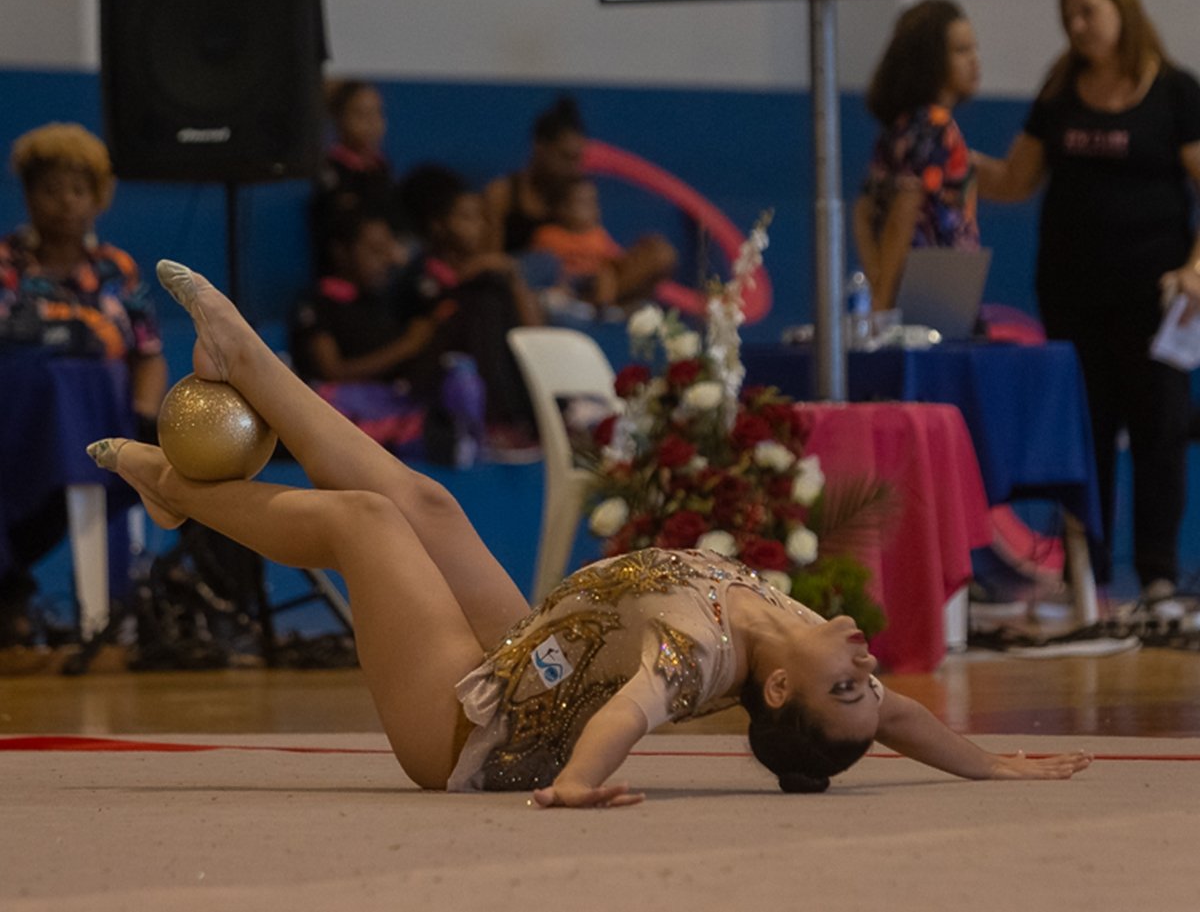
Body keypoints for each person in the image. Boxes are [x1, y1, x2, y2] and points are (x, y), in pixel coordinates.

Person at [86, 259, 1093, 803]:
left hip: (467, 734)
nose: (869, 667)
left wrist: (576, 788)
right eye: (868, 680)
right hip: (526, 653)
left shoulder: (700, 655)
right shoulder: (793, 626)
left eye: (848, 683)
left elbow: (628, 717)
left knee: (368, 523)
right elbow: (896, 721)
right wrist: (990, 763)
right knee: (430, 503)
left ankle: (179, 485)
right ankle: (248, 376)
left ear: (778, 689)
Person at [973, 0, 1200, 608]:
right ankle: (1089, 574)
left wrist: (1195, 269)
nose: (1077, 27)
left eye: (1089, 13)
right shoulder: (1061, 88)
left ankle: (1156, 574)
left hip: (1155, 299)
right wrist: (946, 154)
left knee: (1159, 430)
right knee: (1087, 432)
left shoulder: (1175, 92)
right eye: (1068, 15)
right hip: (1072, 292)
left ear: (1123, 13)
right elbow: (1017, 180)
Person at [0, 122, 167, 643]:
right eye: (51, 189)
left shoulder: (117, 269)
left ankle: (95, 611)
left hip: (99, 424)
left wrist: (143, 412)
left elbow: (149, 354)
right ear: (28, 195)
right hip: (15, 425)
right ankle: (9, 590)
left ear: (98, 198)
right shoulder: (7, 264)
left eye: (78, 190)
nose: (65, 203)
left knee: (99, 445)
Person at [289, 209, 475, 465]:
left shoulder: (387, 298)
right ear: (341, 252)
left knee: (461, 373)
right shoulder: (319, 303)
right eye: (375, 251)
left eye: (388, 249)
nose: (387, 260)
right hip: (348, 404)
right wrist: (406, 347)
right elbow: (331, 370)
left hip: (399, 398)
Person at [397, 163, 542, 460]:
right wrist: (475, 272)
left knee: (492, 294)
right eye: (466, 217)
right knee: (482, 303)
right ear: (439, 226)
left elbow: (534, 332)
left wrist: (513, 277)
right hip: (432, 378)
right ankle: (496, 423)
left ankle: (534, 418)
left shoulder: (493, 277)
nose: (479, 227)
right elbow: (431, 330)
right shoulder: (421, 274)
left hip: (488, 371)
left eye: (481, 218)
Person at [852, 0, 982, 311]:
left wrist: (877, 276)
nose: (974, 61)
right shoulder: (935, 126)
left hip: (914, 288)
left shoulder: (902, 126)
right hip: (933, 291)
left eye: (973, 48)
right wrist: (882, 301)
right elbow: (903, 211)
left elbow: (862, 212)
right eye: (961, 51)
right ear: (930, 60)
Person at [481, 94, 588, 288]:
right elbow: (491, 259)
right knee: (546, 263)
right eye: (565, 157)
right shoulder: (502, 193)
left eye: (577, 159)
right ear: (540, 148)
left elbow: (593, 246)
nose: (574, 168)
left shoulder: (577, 194)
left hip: (570, 285)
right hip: (515, 286)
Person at [532, 176, 677, 315]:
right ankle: (597, 308)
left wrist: (644, 251)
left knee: (607, 272)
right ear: (561, 208)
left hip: (598, 283)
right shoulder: (549, 235)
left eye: (593, 202)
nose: (591, 209)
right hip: (571, 286)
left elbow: (615, 260)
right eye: (582, 203)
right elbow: (543, 269)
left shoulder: (598, 235)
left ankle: (605, 308)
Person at [310, 79, 409, 275]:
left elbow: (395, 217)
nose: (372, 123)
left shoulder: (381, 167)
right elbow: (339, 225)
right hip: (344, 275)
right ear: (339, 119)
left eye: (377, 113)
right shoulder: (331, 170)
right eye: (361, 115)